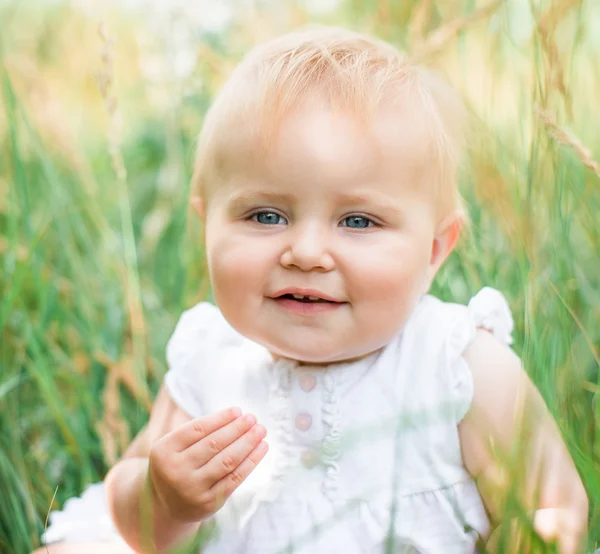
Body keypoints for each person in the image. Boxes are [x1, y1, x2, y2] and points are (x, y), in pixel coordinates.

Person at [35, 26, 589, 554]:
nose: (304, 251)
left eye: (358, 222)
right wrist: (162, 497)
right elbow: (136, 513)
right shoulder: (212, 357)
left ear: (435, 250)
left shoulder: (455, 365)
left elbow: (550, 509)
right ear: (207, 226)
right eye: (266, 214)